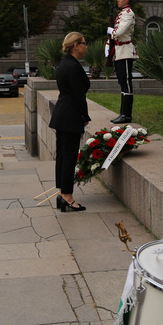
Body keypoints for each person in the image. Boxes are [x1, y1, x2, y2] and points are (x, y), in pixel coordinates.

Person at [48, 32, 91, 212]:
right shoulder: (72, 66)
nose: (85, 46)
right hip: (70, 116)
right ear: (75, 45)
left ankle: (62, 193)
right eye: (83, 43)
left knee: (63, 157)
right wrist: (84, 116)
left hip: (62, 115)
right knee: (69, 158)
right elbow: (78, 95)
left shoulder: (64, 63)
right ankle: (68, 196)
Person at [108, 0, 136, 124]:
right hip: (119, 51)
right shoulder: (122, 13)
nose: (118, 0)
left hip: (125, 51)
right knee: (122, 82)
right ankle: (123, 113)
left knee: (126, 82)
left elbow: (119, 32)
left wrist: (111, 32)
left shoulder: (128, 13)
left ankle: (127, 115)